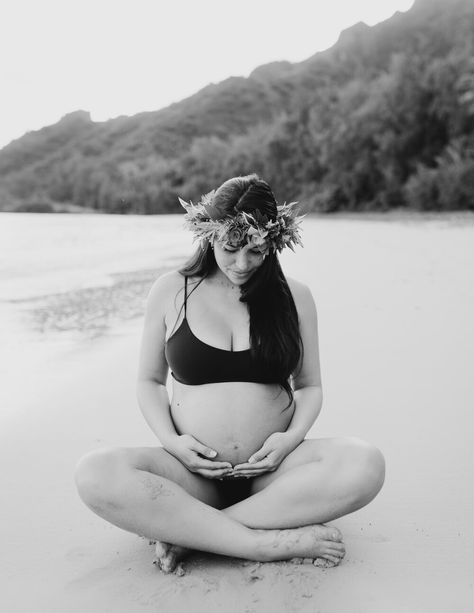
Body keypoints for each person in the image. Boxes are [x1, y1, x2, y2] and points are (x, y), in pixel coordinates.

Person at [75, 174, 385, 574]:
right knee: (95, 473)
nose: (242, 264)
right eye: (231, 248)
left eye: (255, 251)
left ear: (273, 242)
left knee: (366, 463)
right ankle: (259, 543)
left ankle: (196, 533)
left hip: (274, 477)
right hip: (191, 475)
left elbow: (309, 386)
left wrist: (290, 439)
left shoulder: (296, 296)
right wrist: (171, 442)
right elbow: (149, 381)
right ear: (208, 236)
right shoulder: (171, 290)